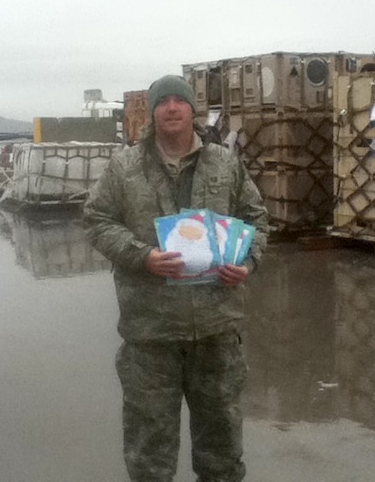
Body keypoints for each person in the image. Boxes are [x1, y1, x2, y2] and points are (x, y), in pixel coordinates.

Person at [83, 75, 269, 482]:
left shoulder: (224, 162)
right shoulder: (124, 167)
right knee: (150, 455)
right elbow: (96, 220)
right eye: (162, 101)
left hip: (216, 333)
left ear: (191, 110)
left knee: (221, 451)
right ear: (151, 112)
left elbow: (256, 219)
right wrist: (142, 256)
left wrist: (246, 263)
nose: (171, 108)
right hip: (151, 335)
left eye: (179, 101)